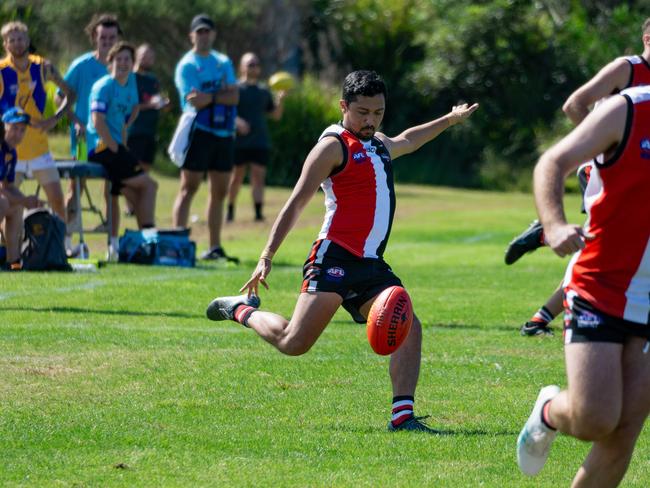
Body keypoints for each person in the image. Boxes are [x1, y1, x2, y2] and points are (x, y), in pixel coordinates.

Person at [207, 70, 478, 432]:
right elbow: (295, 203)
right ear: (343, 106)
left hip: (371, 264)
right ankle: (240, 310)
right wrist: (266, 257)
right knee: (293, 342)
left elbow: (408, 140)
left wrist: (451, 119)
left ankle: (403, 418)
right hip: (334, 258)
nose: (370, 121)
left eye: (378, 113)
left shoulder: (378, 143)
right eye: (363, 112)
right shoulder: (332, 146)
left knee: (409, 325)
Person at [516, 85, 650, 485]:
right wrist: (554, 224)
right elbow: (552, 162)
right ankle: (548, 412)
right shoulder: (628, 109)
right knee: (595, 418)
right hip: (600, 286)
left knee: (623, 433)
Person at [506, 16, 650, 336]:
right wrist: (603, 148)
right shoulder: (626, 68)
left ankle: (542, 305)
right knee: (601, 244)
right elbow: (574, 104)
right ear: (647, 39)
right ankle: (544, 316)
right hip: (604, 169)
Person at [172, 14, 239, 261]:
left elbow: (234, 97)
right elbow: (193, 100)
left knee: (219, 191)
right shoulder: (187, 65)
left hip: (223, 133)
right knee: (188, 187)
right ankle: (177, 242)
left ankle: (214, 246)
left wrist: (209, 97)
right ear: (192, 35)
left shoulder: (223, 62)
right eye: (199, 32)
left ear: (213, 34)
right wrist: (218, 94)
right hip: (199, 132)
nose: (203, 35)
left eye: (207, 31)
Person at [86, 42, 158, 260]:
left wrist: (123, 135)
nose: (124, 63)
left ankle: (119, 247)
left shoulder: (130, 84)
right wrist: (116, 146)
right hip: (101, 148)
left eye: (127, 59)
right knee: (148, 185)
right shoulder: (103, 86)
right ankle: (148, 240)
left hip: (116, 146)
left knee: (122, 192)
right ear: (111, 63)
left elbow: (133, 109)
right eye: (119, 59)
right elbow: (97, 121)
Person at [57, 13, 121, 253]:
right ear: (94, 37)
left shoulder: (123, 66)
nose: (107, 41)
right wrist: (75, 120)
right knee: (75, 189)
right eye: (103, 37)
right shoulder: (81, 66)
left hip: (112, 142)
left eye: (111, 37)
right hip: (85, 143)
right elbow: (59, 98)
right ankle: (65, 242)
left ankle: (112, 245)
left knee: (112, 191)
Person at [0, 21, 73, 224]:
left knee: (57, 201)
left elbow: (71, 94)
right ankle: (9, 251)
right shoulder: (1, 70)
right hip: (10, 151)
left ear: (28, 40)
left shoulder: (43, 67)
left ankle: (62, 246)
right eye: (12, 40)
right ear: (5, 45)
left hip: (40, 150)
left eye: (20, 39)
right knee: (7, 204)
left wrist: (54, 119)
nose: (17, 44)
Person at [227, 52, 285, 223]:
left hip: (259, 140)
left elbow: (275, 115)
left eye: (256, 64)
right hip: (239, 141)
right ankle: (230, 210)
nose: (253, 67)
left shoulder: (263, 90)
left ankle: (258, 213)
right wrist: (237, 122)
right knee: (236, 177)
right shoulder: (235, 89)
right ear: (242, 67)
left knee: (258, 177)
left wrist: (280, 101)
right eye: (250, 64)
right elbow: (227, 112)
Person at [0, 107, 42, 270]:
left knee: (16, 208)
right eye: (14, 128)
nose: (18, 134)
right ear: (4, 126)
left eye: (22, 130)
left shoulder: (11, 152)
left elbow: (8, 185)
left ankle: (13, 262)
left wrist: (29, 200)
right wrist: (25, 200)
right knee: (3, 203)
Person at [128, 43, 169, 172]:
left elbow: (156, 102)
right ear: (136, 56)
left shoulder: (153, 80)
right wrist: (150, 105)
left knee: (144, 171)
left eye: (151, 57)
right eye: (144, 55)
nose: (147, 59)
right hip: (133, 131)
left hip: (150, 132)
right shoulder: (130, 78)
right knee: (129, 170)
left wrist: (164, 104)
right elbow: (127, 106)